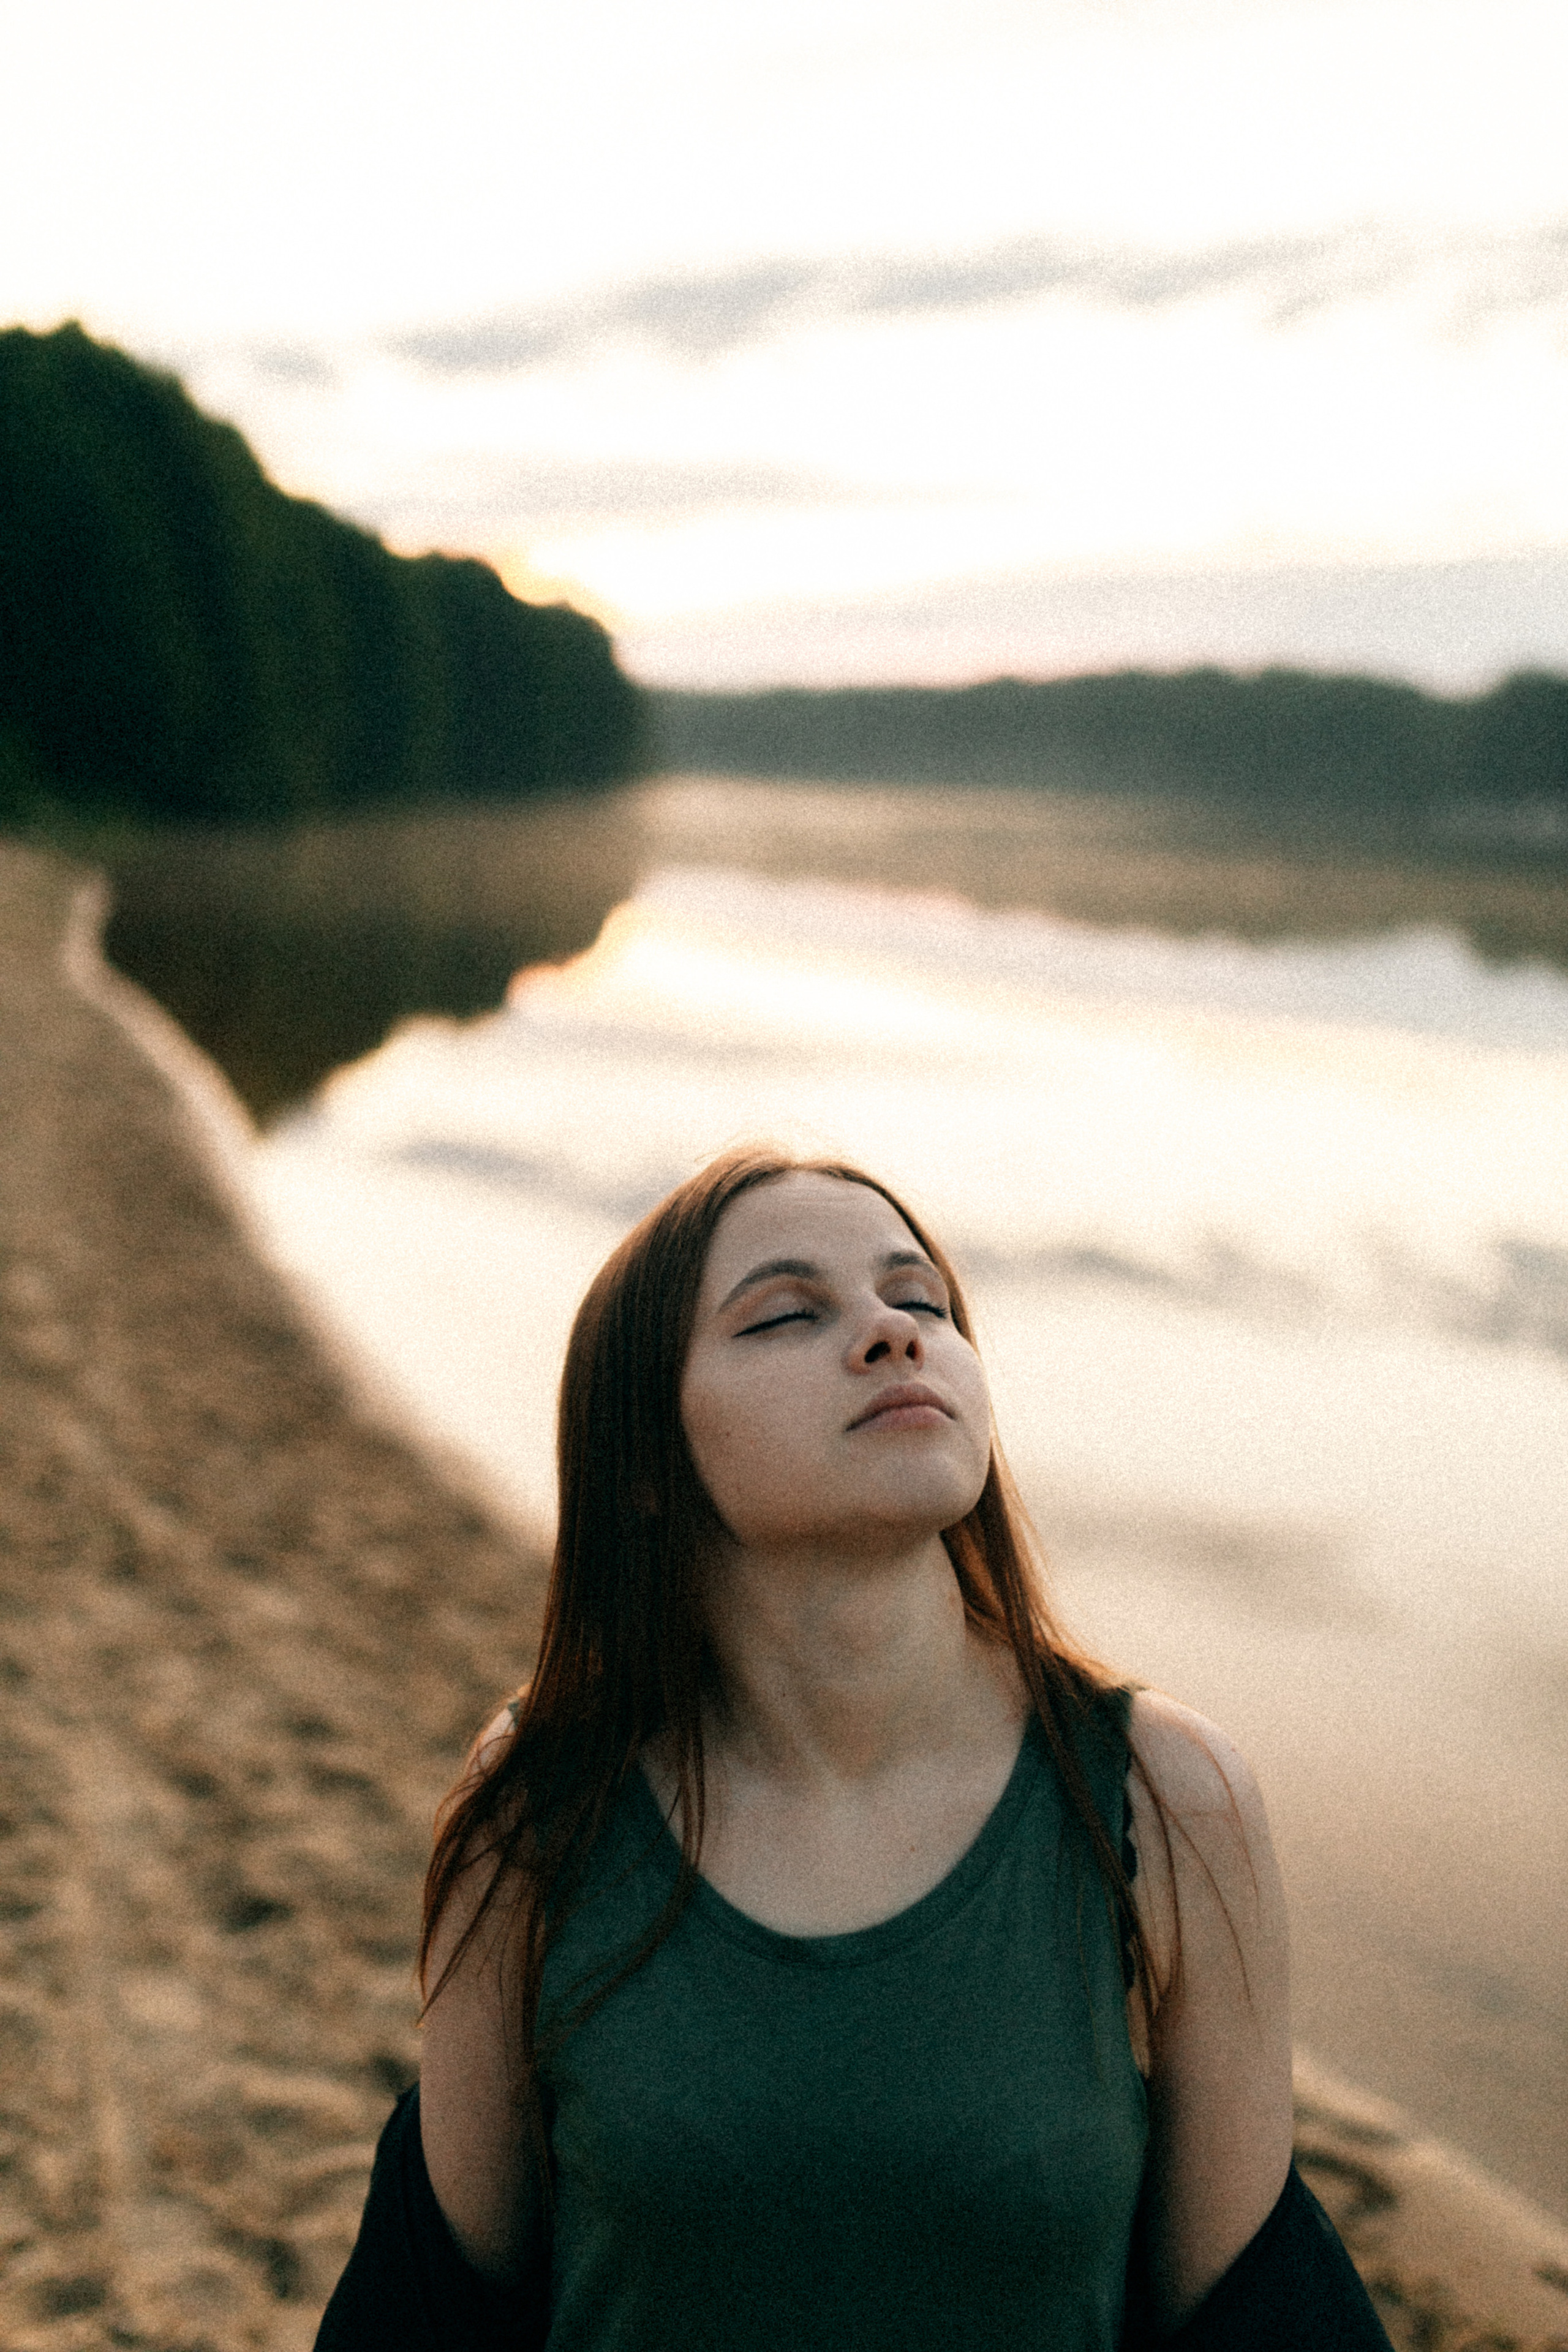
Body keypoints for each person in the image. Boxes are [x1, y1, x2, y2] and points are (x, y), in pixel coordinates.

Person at [317, 1146, 1392, 2350]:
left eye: (919, 1299)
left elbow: (1255, 2327)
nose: (891, 1333)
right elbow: (434, 2318)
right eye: (783, 1315)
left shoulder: (1168, 1797)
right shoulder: (540, 1803)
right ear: (645, 1467)